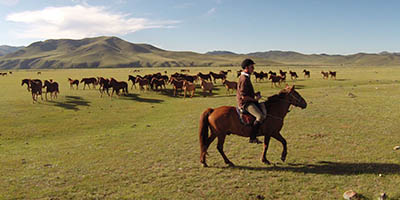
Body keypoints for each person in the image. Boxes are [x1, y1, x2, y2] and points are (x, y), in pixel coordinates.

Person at [237, 58, 267, 144]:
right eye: (252, 67)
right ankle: (253, 137)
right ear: (246, 67)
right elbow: (243, 96)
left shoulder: (246, 77)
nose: (253, 69)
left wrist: (254, 93)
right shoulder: (244, 79)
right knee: (260, 116)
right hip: (245, 103)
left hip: (249, 101)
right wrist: (254, 99)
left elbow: (247, 92)